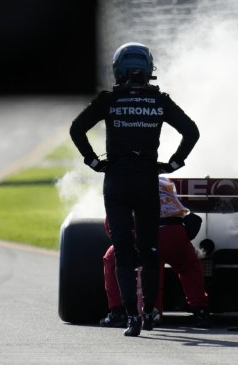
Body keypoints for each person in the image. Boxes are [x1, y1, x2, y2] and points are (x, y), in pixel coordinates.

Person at [70, 42, 200, 337]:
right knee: (150, 249)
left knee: (124, 252)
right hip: (146, 180)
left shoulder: (108, 100)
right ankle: (151, 311)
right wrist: (174, 163)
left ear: (118, 70)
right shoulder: (160, 101)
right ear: (149, 70)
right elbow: (191, 131)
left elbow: (77, 128)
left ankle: (131, 317)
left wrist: (92, 160)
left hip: (116, 179)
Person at [99, 176, 210, 329]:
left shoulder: (122, 181)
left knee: (112, 259)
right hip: (175, 232)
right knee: (189, 266)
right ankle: (200, 311)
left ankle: (119, 312)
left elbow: (112, 224)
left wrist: (123, 244)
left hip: (143, 236)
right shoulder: (165, 181)